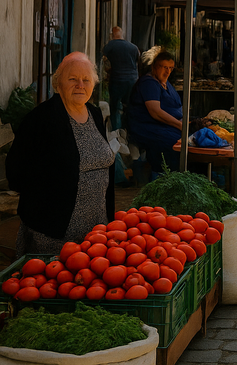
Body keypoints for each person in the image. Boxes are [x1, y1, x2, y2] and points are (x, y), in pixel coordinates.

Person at [7, 52, 115, 256]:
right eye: (72, 79)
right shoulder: (40, 119)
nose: (80, 85)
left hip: (97, 228)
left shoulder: (95, 114)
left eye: (86, 80)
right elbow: (16, 172)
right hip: (54, 231)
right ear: (58, 84)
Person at [128, 50, 183, 175]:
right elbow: (155, 112)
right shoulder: (149, 83)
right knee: (175, 143)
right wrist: (180, 125)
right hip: (148, 127)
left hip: (166, 125)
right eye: (164, 67)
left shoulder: (165, 82)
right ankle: (167, 176)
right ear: (154, 67)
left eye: (170, 68)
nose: (167, 72)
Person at [102, 26, 140, 131]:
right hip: (132, 80)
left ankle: (117, 131)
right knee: (129, 105)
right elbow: (138, 61)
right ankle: (128, 129)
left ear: (112, 35)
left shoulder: (110, 45)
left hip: (117, 80)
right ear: (121, 34)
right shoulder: (133, 47)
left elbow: (104, 60)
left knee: (114, 106)